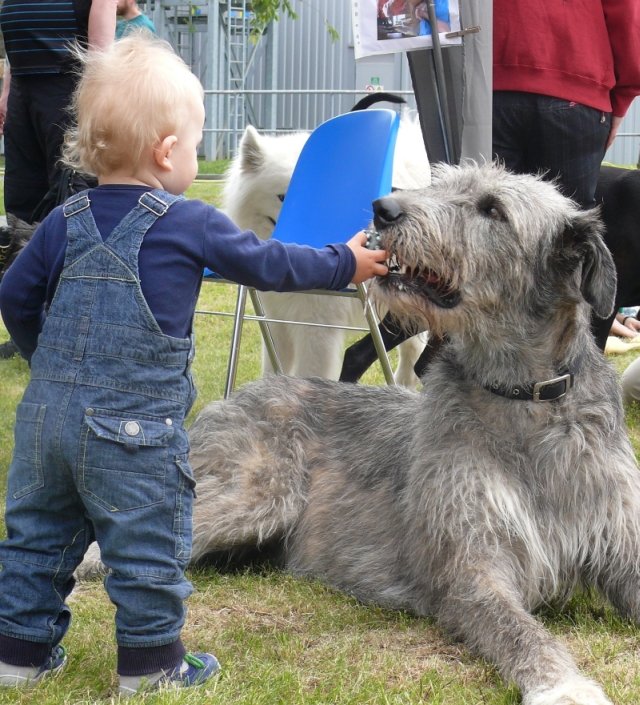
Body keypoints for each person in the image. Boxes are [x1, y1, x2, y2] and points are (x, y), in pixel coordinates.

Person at [0, 34, 389, 695]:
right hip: (133, 431)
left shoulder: (64, 219)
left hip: (45, 422)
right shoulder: (189, 223)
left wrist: (46, 363)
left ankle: (17, 654)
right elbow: (273, 264)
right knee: (145, 541)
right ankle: (151, 665)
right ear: (167, 150)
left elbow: (12, 295)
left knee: (37, 537)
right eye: (195, 135)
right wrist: (344, 261)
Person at [492, 1, 640, 349]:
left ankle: (479, 387)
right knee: (566, 250)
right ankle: (564, 388)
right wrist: (622, 96)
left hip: (489, 78)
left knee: (484, 240)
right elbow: (625, 12)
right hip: (576, 85)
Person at [0, 0, 118, 358]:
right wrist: (7, 89)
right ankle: (29, 329)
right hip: (23, 88)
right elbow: (14, 35)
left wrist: (92, 105)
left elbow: (100, 52)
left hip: (68, 89)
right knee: (20, 203)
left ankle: (70, 330)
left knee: (69, 210)